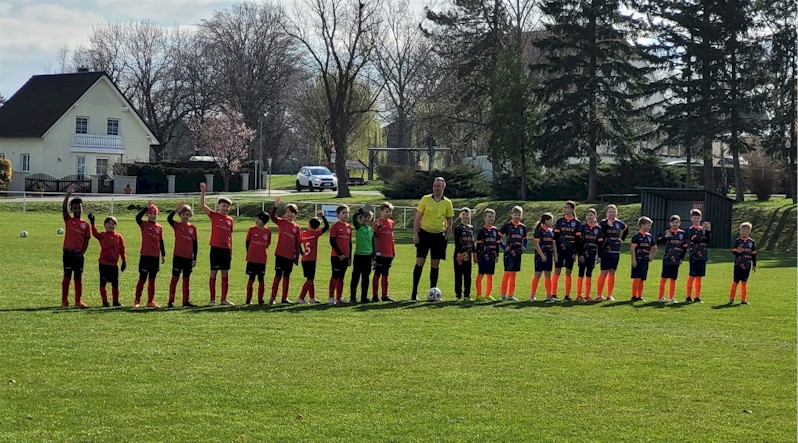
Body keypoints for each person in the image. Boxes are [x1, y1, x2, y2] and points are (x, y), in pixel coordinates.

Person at [411, 177, 455, 300]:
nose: (436, 188)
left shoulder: (447, 203)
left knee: (435, 264)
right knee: (420, 262)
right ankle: (414, 293)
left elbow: (449, 222)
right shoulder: (425, 199)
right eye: (435, 185)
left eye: (439, 186)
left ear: (443, 187)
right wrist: (416, 234)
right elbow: (417, 218)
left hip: (438, 236)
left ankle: (433, 292)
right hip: (424, 234)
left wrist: (446, 237)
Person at [199, 182, 234, 306]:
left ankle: (223, 299)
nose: (225, 208)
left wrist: (231, 251)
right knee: (213, 272)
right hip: (215, 249)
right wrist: (203, 192)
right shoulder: (214, 215)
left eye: (227, 207)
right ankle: (212, 299)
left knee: (225, 273)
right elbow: (202, 206)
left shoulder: (230, 220)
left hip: (226, 249)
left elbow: (231, 236)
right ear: (218, 206)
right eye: (223, 206)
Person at [60, 185, 91, 308]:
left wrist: (82, 253)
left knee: (78, 277)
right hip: (68, 253)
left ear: (82, 209)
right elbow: (63, 208)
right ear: (71, 209)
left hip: (79, 254)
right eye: (75, 208)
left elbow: (87, 241)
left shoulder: (85, 225)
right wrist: (67, 195)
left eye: (79, 207)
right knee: (67, 276)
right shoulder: (68, 220)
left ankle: (78, 301)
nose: (77, 209)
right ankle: (64, 300)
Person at [88, 213, 126, 307]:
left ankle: (116, 302)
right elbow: (94, 233)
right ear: (105, 225)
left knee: (115, 283)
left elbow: (122, 249)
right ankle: (105, 302)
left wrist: (124, 261)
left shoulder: (119, 237)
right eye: (109, 223)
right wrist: (92, 223)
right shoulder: (102, 235)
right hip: (104, 263)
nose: (111, 225)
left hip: (114, 264)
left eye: (113, 224)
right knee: (103, 282)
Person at [269, 197, 302, 304]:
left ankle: (284, 298)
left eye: (292, 212)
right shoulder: (281, 222)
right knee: (278, 275)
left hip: (289, 256)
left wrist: (297, 256)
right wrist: (275, 207)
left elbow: (298, 243)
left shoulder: (297, 228)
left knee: (287, 277)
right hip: (280, 254)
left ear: (295, 214)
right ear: (285, 213)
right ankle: (272, 298)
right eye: (288, 212)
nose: (289, 214)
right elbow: (273, 217)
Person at [134, 200, 166, 308]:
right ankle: (137, 300)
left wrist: (163, 254)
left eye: (154, 214)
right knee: (142, 278)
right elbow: (137, 217)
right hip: (145, 255)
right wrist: (145, 208)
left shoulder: (159, 227)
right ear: (147, 214)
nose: (152, 216)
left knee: (152, 279)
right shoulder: (144, 224)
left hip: (155, 257)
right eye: (150, 213)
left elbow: (161, 241)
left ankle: (150, 301)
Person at [167, 202, 198, 308]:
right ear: (180, 215)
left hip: (188, 257)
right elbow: (169, 219)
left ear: (190, 215)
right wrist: (176, 209)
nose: (185, 216)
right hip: (178, 256)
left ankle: (186, 301)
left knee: (186, 280)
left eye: (188, 214)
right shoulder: (177, 225)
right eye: (183, 214)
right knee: (175, 278)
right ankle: (171, 301)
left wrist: (194, 258)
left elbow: (195, 245)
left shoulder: (193, 228)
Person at [596, 205, 628, 301]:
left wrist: (622, 239)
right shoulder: (603, 223)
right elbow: (599, 234)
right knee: (603, 272)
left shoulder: (619, 223)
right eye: (610, 212)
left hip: (615, 250)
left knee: (612, 273)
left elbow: (626, 229)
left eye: (613, 212)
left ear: (616, 213)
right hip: (606, 250)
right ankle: (599, 295)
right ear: (606, 213)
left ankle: (609, 295)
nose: (611, 214)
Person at [298, 210, 329, 304]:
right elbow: (327, 226)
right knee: (310, 279)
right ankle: (301, 297)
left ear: (309, 224)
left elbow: (298, 245)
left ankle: (312, 298)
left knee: (310, 279)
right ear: (317, 227)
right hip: (311, 260)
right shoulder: (316, 233)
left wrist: (302, 253)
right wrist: (323, 216)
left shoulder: (303, 234)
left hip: (305, 259)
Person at [656, 215, 688, 303]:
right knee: (664, 278)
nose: (675, 224)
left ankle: (671, 297)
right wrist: (665, 237)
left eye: (677, 222)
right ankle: (661, 297)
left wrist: (682, 258)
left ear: (680, 223)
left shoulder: (682, 233)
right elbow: (657, 243)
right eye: (673, 222)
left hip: (677, 259)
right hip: (667, 259)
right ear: (670, 223)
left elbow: (684, 247)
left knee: (673, 278)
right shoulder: (667, 232)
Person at [552, 201, 581, 301]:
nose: (565, 209)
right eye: (564, 207)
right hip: (560, 251)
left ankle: (567, 295)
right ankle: (553, 294)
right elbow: (555, 238)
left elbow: (578, 240)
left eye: (567, 208)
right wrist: (555, 253)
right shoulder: (560, 221)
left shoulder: (577, 223)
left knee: (568, 273)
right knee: (557, 272)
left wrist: (575, 253)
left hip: (570, 251)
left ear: (572, 209)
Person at [499, 206, 528, 301]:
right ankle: (502, 295)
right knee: (507, 273)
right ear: (512, 215)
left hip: (518, 253)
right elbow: (498, 237)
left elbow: (525, 239)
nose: (517, 216)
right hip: (509, 253)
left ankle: (510, 295)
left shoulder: (522, 227)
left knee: (514, 274)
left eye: (519, 214)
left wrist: (524, 246)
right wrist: (503, 247)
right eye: (515, 214)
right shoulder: (507, 226)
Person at [245, 211, 272, 305]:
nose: (256, 220)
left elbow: (267, 244)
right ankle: (248, 299)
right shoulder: (251, 229)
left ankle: (260, 299)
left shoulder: (268, 232)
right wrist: (250, 253)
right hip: (252, 258)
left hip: (262, 259)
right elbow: (247, 242)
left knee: (261, 279)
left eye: (258, 218)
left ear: (263, 220)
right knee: (251, 278)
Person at [350, 207, 376, 303]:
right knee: (355, 276)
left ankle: (364, 297)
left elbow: (373, 244)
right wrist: (360, 211)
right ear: (361, 217)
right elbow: (353, 218)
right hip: (359, 255)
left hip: (368, 256)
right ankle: (353, 297)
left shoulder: (372, 231)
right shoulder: (359, 227)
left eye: (369, 217)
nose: (367, 219)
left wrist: (374, 256)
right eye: (365, 217)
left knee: (366, 277)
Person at [574, 208, 601, 301]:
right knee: (581, 273)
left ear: (595, 216)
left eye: (591, 215)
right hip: (583, 253)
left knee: (589, 273)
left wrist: (599, 255)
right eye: (588, 215)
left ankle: (587, 295)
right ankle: (578, 295)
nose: (590, 217)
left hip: (592, 254)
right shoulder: (582, 227)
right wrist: (580, 254)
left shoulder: (598, 228)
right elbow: (578, 241)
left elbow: (600, 244)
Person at [530, 213, 558, 302]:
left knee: (548, 276)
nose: (552, 222)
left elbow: (554, 244)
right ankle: (532, 295)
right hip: (540, 257)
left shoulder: (551, 231)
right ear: (545, 220)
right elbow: (536, 244)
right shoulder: (538, 230)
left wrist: (555, 255)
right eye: (550, 220)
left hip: (549, 256)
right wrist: (542, 255)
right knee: (537, 275)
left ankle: (549, 295)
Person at [685, 209, 711, 303]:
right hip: (694, 256)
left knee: (699, 277)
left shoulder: (702, 229)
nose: (696, 219)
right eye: (694, 217)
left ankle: (697, 296)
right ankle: (688, 296)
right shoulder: (690, 230)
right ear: (691, 219)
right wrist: (703, 230)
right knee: (692, 276)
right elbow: (695, 240)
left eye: (698, 217)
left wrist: (708, 231)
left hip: (702, 255)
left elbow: (707, 241)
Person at [372, 203, 396, 302]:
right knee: (377, 273)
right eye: (386, 211)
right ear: (381, 212)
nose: (388, 213)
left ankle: (384, 295)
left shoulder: (391, 223)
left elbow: (392, 238)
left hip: (388, 253)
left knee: (386, 274)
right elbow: (374, 236)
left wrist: (393, 251)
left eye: (389, 211)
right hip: (379, 252)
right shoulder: (377, 222)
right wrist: (378, 228)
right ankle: (374, 295)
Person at [475, 208, 500, 301]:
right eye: (489, 216)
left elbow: (497, 244)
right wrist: (477, 256)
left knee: (490, 275)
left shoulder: (495, 230)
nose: (491, 218)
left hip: (492, 256)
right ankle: (478, 295)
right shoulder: (481, 230)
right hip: (483, 255)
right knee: (481, 274)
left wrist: (497, 255)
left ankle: (488, 295)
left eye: (492, 217)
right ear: (484, 218)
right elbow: (478, 244)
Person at [328, 205, 352, 304]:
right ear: (338, 215)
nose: (346, 215)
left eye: (347, 213)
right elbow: (332, 242)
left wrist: (349, 257)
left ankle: (339, 298)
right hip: (336, 256)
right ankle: (331, 297)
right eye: (343, 213)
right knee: (335, 276)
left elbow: (349, 243)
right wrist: (340, 254)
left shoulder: (349, 227)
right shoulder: (335, 226)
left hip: (345, 256)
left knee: (342, 277)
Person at [630, 216, 657, 302]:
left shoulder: (649, 236)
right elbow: (632, 248)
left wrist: (652, 256)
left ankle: (639, 296)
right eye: (648, 225)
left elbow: (654, 247)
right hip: (638, 260)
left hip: (645, 260)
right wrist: (633, 260)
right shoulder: (636, 236)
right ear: (642, 225)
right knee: (637, 278)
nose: (649, 227)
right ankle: (634, 295)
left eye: (650, 225)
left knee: (642, 279)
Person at [729, 222, 756, 305]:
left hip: (747, 265)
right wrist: (737, 251)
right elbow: (733, 251)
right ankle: (731, 299)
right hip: (738, 265)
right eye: (741, 230)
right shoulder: (737, 241)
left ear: (749, 232)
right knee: (735, 281)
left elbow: (754, 254)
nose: (742, 232)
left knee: (744, 282)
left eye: (744, 231)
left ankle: (743, 300)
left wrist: (754, 265)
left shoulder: (751, 242)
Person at [453, 207, 475, 300]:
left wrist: (475, 254)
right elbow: (457, 242)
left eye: (467, 214)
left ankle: (467, 294)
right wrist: (458, 253)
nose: (465, 216)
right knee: (458, 275)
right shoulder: (458, 229)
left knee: (467, 275)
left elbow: (472, 243)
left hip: (468, 255)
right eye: (463, 214)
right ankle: (458, 294)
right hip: (460, 254)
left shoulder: (471, 228)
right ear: (460, 216)